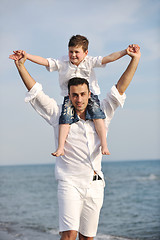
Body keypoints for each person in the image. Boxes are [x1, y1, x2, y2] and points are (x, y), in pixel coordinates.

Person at [10, 44, 141, 240]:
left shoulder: (102, 112)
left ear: (89, 94)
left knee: (87, 238)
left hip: (95, 184)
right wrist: (21, 66)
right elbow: (36, 93)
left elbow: (120, 88)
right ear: (69, 96)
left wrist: (134, 60)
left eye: (82, 94)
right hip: (69, 183)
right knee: (69, 235)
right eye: (74, 95)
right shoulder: (58, 115)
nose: (78, 99)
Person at [10, 35, 131, 157]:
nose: (73, 55)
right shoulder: (63, 62)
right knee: (64, 119)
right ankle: (61, 148)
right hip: (69, 97)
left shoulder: (89, 61)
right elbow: (45, 61)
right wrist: (27, 56)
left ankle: (104, 145)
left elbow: (108, 58)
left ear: (85, 52)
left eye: (77, 52)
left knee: (98, 116)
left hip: (91, 95)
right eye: (71, 51)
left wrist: (125, 52)